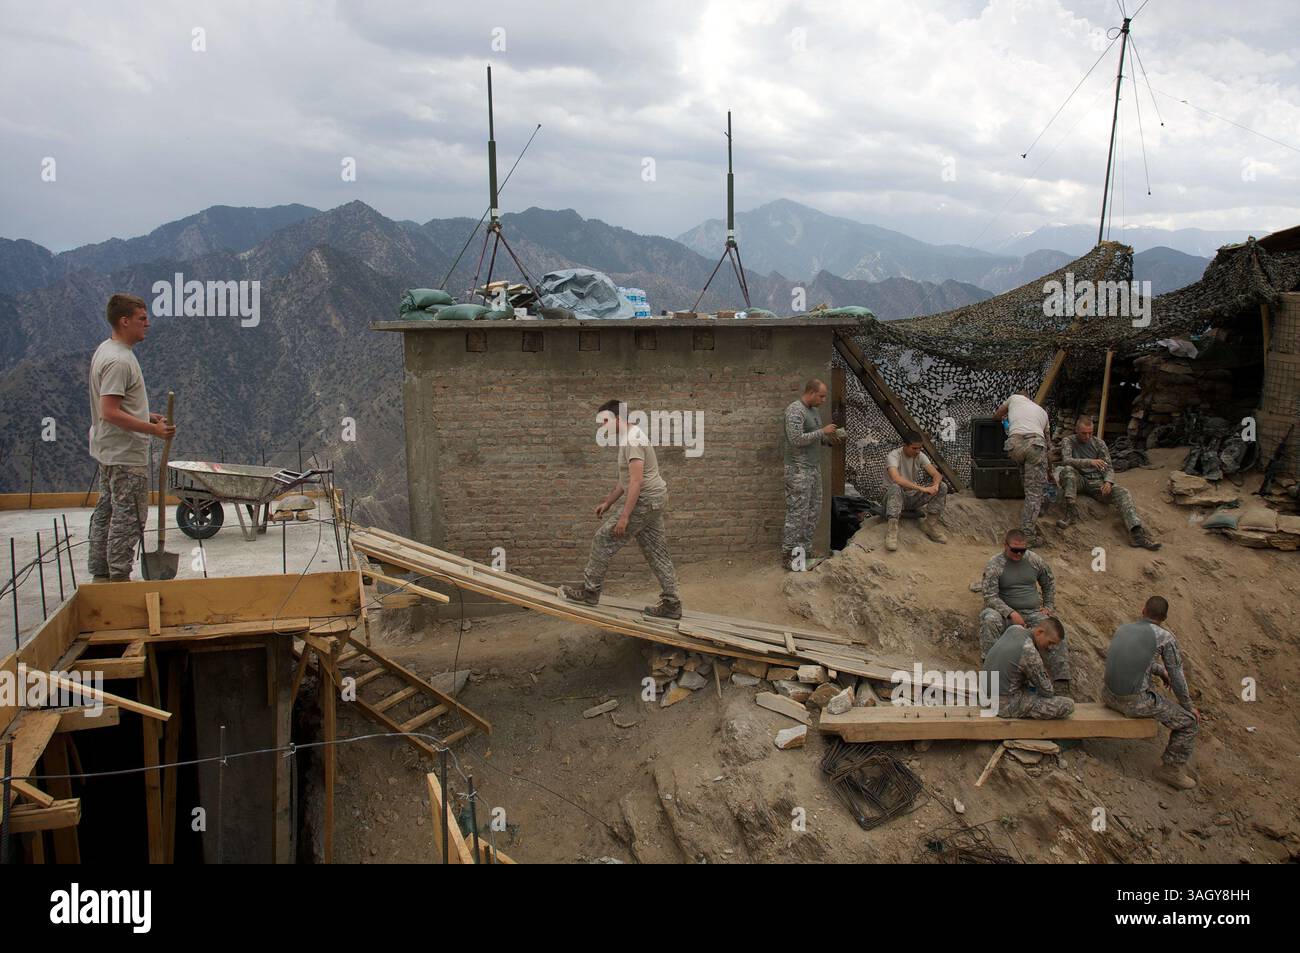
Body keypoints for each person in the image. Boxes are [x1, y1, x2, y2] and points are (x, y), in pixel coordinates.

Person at [562, 399, 682, 619]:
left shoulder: (633, 440)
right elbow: (626, 479)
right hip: (653, 499)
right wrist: (608, 502)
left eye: (604, 421)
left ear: (617, 419)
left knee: (602, 539)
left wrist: (624, 516)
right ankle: (672, 604)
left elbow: (636, 482)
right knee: (656, 552)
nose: (602, 427)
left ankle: (590, 591)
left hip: (645, 501)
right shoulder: (629, 437)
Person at [87, 294, 175, 583]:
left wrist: (145, 415)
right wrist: (154, 431)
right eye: (141, 318)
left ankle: (100, 571)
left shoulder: (106, 349)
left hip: (108, 450)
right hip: (125, 455)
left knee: (108, 510)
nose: (147, 323)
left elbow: (118, 406)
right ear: (124, 321)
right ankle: (119, 579)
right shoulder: (119, 361)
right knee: (128, 518)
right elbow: (109, 411)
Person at [1101, 596, 1201, 790]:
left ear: (1143, 610)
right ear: (1164, 617)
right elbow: (1177, 676)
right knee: (1189, 722)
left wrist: (1159, 671)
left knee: (1148, 690)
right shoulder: (1165, 637)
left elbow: (1131, 660)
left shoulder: (1124, 629)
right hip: (1131, 703)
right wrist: (1189, 706)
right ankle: (1171, 770)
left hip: (1107, 695)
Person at [978, 529, 1071, 692]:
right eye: (1014, 550)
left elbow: (1048, 582)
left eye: (1022, 550)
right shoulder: (995, 564)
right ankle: (990, 668)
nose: (1018, 554)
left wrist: (1048, 606)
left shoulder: (1035, 560)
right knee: (989, 619)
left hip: (1032, 612)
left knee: (1057, 631)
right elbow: (990, 596)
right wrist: (1011, 613)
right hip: (1004, 613)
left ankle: (1061, 682)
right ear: (1005, 545)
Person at [1057, 416, 1161, 550]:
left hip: (1096, 482)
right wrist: (1089, 462)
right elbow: (1066, 460)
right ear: (1076, 430)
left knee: (1123, 492)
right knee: (1068, 471)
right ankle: (1070, 513)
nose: (1087, 436)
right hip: (1079, 479)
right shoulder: (1068, 441)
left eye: (1090, 433)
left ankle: (1137, 534)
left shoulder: (1099, 444)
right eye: (1084, 433)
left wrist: (1108, 481)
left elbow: (1109, 467)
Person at [781, 379, 841, 570]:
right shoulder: (795, 410)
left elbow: (815, 437)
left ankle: (804, 552)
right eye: (821, 396)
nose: (823, 400)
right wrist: (822, 431)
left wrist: (829, 438)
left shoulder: (814, 411)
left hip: (813, 469)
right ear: (811, 392)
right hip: (798, 470)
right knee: (797, 514)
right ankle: (788, 556)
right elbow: (796, 439)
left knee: (813, 512)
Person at [994, 390, 1054, 546]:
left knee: (1026, 476)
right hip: (1035, 445)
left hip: (1014, 446)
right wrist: (1050, 470)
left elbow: (998, 414)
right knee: (1034, 492)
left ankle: (1034, 507)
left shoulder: (1013, 399)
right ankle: (1028, 535)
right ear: (1030, 399)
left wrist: (1000, 418)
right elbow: (1048, 445)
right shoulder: (1042, 412)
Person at [981, 618, 1074, 719]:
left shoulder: (1014, 629)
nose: (1051, 648)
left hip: (985, 697)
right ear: (1039, 632)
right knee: (1068, 704)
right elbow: (1047, 691)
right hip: (1003, 706)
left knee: (1030, 687)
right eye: (1050, 642)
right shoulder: (1029, 651)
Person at [881, 431, 948, 551]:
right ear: (904, 445)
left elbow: (936, 474)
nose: (917, 451)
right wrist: (923, 488)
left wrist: (935, 486)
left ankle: (929, 525)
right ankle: (892, 532)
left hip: (911, 498)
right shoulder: (893, 456)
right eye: (914, 448)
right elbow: (897, 479)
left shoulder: (920, 456)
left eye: (920, 448)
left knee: (943, 486)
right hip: (894, 499)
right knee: (896, 487)